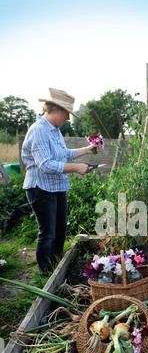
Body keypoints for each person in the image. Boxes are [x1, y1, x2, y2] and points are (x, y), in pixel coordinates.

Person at [22, 88, 97, 274]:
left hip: (56, 186)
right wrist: (76, 168)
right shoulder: (38, 130)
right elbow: (45, 165)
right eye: (67, 113)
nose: (69, 118)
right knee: (48, 233)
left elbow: (64, 154)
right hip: (40, 188)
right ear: (55, 109)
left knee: (60, 230)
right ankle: (46, 273)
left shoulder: (54, 131)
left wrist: (87, 150)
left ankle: (56, 267)